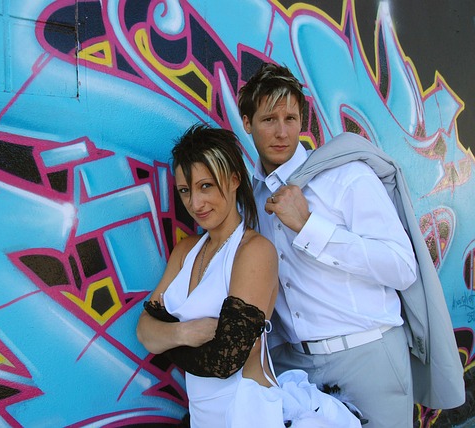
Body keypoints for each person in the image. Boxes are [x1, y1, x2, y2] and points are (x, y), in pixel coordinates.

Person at [136, 124, 362, 427]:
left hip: (250, 416)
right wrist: (186, 333)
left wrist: (165, 338)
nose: (195, 203)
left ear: (233, 180)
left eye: (206, 186)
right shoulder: (185, 251)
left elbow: (226, 360)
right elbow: (144, 331)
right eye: (185, 191)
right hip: (203, 419)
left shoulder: (254, 251)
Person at [238, 62, 419, 427]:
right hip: (295, 370)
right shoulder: (252, 200)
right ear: (247, 123)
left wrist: (310, 227)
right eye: (269, 119)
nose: (282, 132)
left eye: (290, 118)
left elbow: (402, 266)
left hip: (368, 357)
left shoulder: (346, 176)